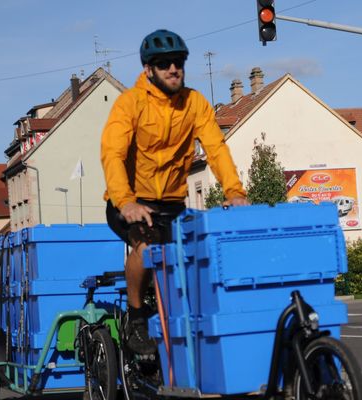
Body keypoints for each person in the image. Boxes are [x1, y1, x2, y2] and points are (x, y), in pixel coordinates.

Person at [100, 29, 249, 356]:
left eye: (178, 62)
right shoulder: (131, 104)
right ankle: (137, 318)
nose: (173, 69)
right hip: (130, 201)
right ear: (149, 69)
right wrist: (125, 201)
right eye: (164, 63)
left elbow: (216, 148)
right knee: (146, 247)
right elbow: (112, 153)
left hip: (172, 204)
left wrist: (234, 191)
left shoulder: (194, 103)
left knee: (198, 255)